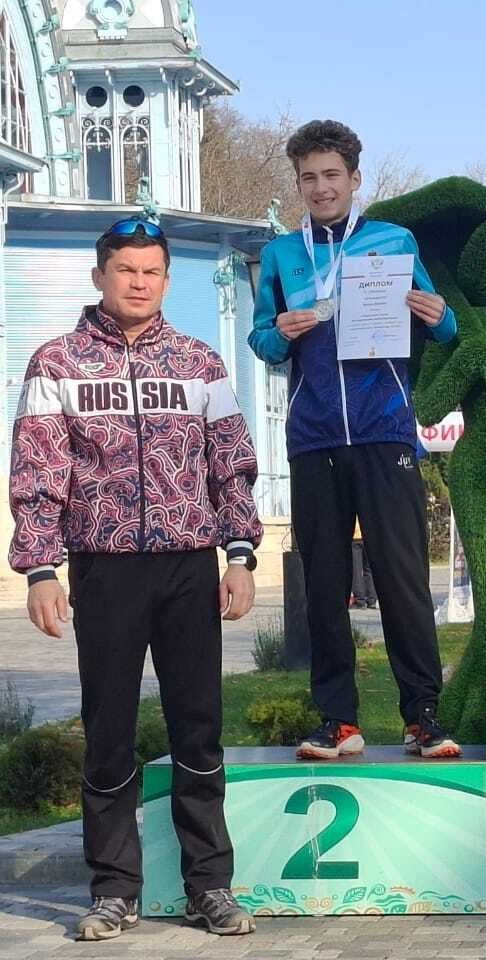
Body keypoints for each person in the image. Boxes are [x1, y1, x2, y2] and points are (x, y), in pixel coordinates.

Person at [8, 219, 261, 940]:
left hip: (189, 566)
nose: (139, 282)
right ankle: (114, 890)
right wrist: (40, 569)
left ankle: (209, 885)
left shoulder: (200, 361)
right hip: (104, 570)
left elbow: (231, 463)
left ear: (167, 280)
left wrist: (240, 555)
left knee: (199, 729)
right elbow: (37, 471)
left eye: (151, 271)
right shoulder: (56, 363)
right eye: (125, 269)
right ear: (100, 276)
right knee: (109, 730)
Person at [248, 120, 460, 760]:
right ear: (298, 184)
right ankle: (337, 721)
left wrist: (440, 315)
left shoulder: (393, 240)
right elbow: (262, 341)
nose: (321, 187)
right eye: (308, 178)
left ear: (354, 178)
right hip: (314, 436)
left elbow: (443, 325)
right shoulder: (282, 254)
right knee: (324, 585)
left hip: (384, 428)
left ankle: (423, 717)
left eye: (331, 175)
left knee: (402, 579)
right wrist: (280, 332)